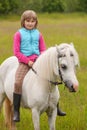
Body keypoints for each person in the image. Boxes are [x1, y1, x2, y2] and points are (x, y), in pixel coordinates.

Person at [13, 10, 66, 122]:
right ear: (23, 21)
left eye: (33, 21)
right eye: (28, 21)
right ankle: (16, 111)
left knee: (52, 77)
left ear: (36, 22)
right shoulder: (18, 34)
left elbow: (43, 50)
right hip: (24, 62)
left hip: (38, 61)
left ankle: (57, 106)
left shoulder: (38, 34)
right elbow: (17, 52)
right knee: (18, 81)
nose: (30, 23)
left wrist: (41, 59)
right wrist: (27, 61)